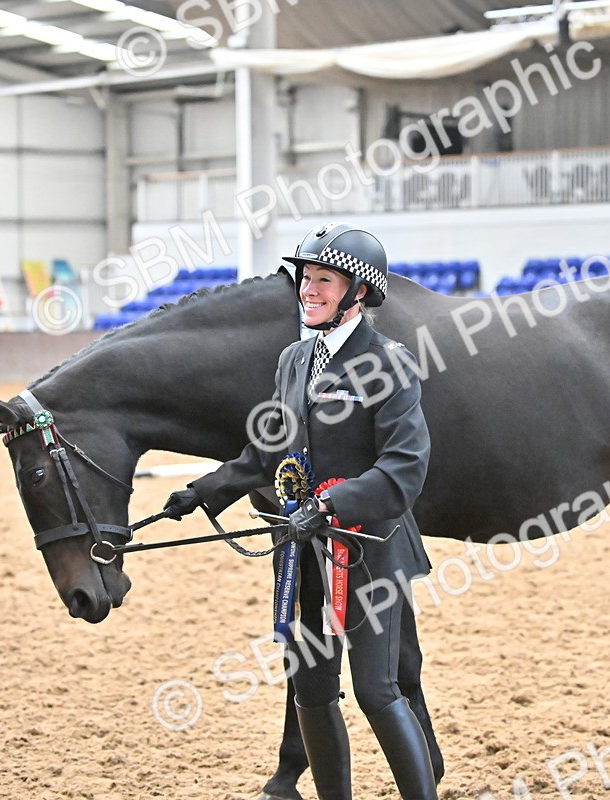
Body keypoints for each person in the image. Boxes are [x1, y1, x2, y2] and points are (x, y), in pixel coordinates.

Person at [162, 222, 438, 800]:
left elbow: (404, 469)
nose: (309, 290)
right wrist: (207, 490)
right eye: (306, 278)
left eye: (324, 280)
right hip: (303, 549)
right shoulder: (294, 359)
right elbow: (271, 450)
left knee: (376, 690)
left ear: (358, 291)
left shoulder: (389, 362)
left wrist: (330, 503)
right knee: (310, 691)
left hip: (370, 551)